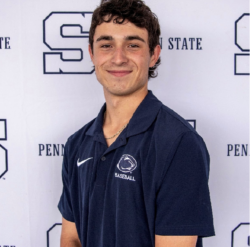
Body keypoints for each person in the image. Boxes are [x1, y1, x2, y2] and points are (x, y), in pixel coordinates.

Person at [58, 0, 215, 246]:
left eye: (132, 45)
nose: (118, 58)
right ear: (92, 54)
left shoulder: (178, 143)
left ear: (153, 55)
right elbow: (71, 238)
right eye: (107, 45)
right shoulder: (77, 143)